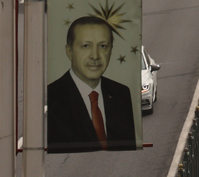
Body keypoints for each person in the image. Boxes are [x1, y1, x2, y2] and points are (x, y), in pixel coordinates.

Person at [47, 16, 137, 152]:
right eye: (86, 46)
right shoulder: (53, 96)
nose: (95, 56)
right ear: (69, 52)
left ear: (111, 50)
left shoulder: (121, 93)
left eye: (102, 46)